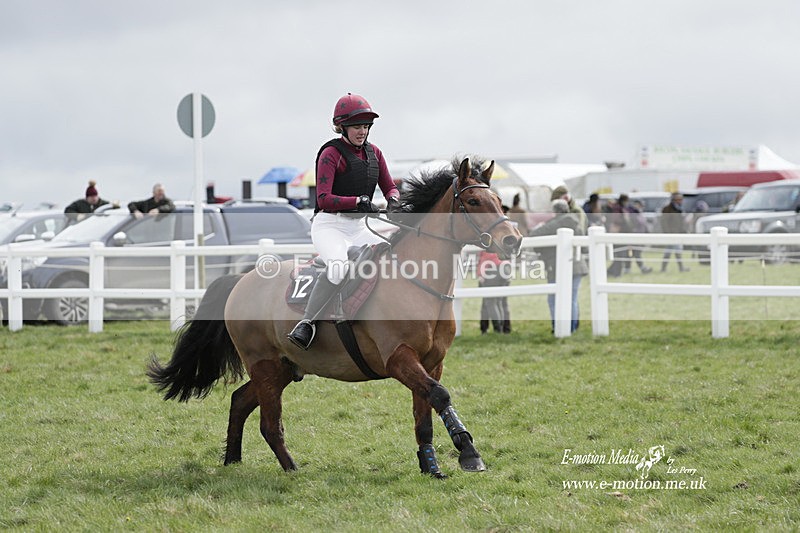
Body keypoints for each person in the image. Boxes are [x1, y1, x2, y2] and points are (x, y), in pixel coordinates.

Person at [288, 93, 401, 350]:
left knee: (390, 257)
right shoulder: (331, 154)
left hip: (359, 227)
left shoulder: (375, 153)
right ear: (342, 126)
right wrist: (357, 201)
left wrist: (394, 200)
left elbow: (389, 186)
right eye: (357, 126)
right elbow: (323, 198)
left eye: (366, 126)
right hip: (330, 226)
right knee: (338, 268)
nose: (362, 131)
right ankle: (307, 323)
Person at [529, 198, 588, 333]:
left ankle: (558, 327)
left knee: (553, 299)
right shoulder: (576, 223)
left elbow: (534, 234)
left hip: (557, 266)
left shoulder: (555, 224)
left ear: (555, 211)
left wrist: (539, 226)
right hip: (578, 265)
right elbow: (584, 248)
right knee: (572, 298)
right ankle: (572, 327)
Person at [477, 249, 511, 334]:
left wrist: (480, 273)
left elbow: (487, 257)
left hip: (493, 268)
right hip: (505, 268)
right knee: (499, 301)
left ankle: (498, 329)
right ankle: (503, 329)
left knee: (491, 302)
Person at [659, 192, 690, 272]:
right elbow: (664, 223)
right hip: (671, 234)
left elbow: (681, 222)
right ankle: (676, 268)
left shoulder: (680, 209)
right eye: (678, 199)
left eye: (681, 199)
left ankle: (667, 268)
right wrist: (667, 234)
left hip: (678, 233)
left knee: (675, 251)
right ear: (673, 200)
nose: (680, 201)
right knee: (671, 251)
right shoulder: (667, 209)